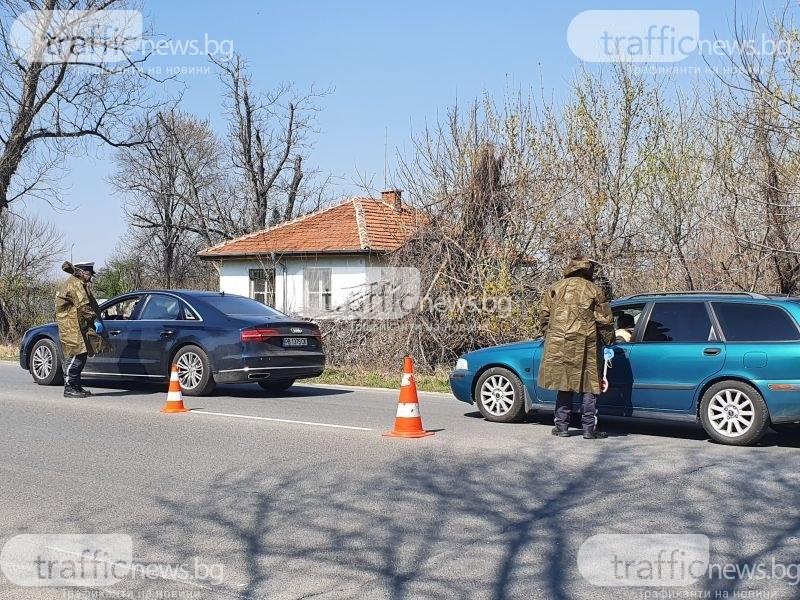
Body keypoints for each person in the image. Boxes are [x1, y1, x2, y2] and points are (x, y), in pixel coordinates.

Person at [538, 257, 615, 439]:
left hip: (559, 343)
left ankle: (562, 427)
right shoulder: (594, 290)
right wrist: (609, 341)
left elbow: (544, 317)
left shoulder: (555, 288)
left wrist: (548, 336)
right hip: (587, 342)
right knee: (590, 385)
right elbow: (604, 321)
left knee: (564, 385)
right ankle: (589, 429)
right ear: (589, 271)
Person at [55, 261, 106, 398]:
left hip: (77, 324)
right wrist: (94, 319)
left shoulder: (79, 283)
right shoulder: (76, 284)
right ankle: (69, 387)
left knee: (81, 355)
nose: (91, 277)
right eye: (90, 274)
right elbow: (84, 306)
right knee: (76, 356)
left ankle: (76, 385)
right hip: (71, 325)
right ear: (83, 272)